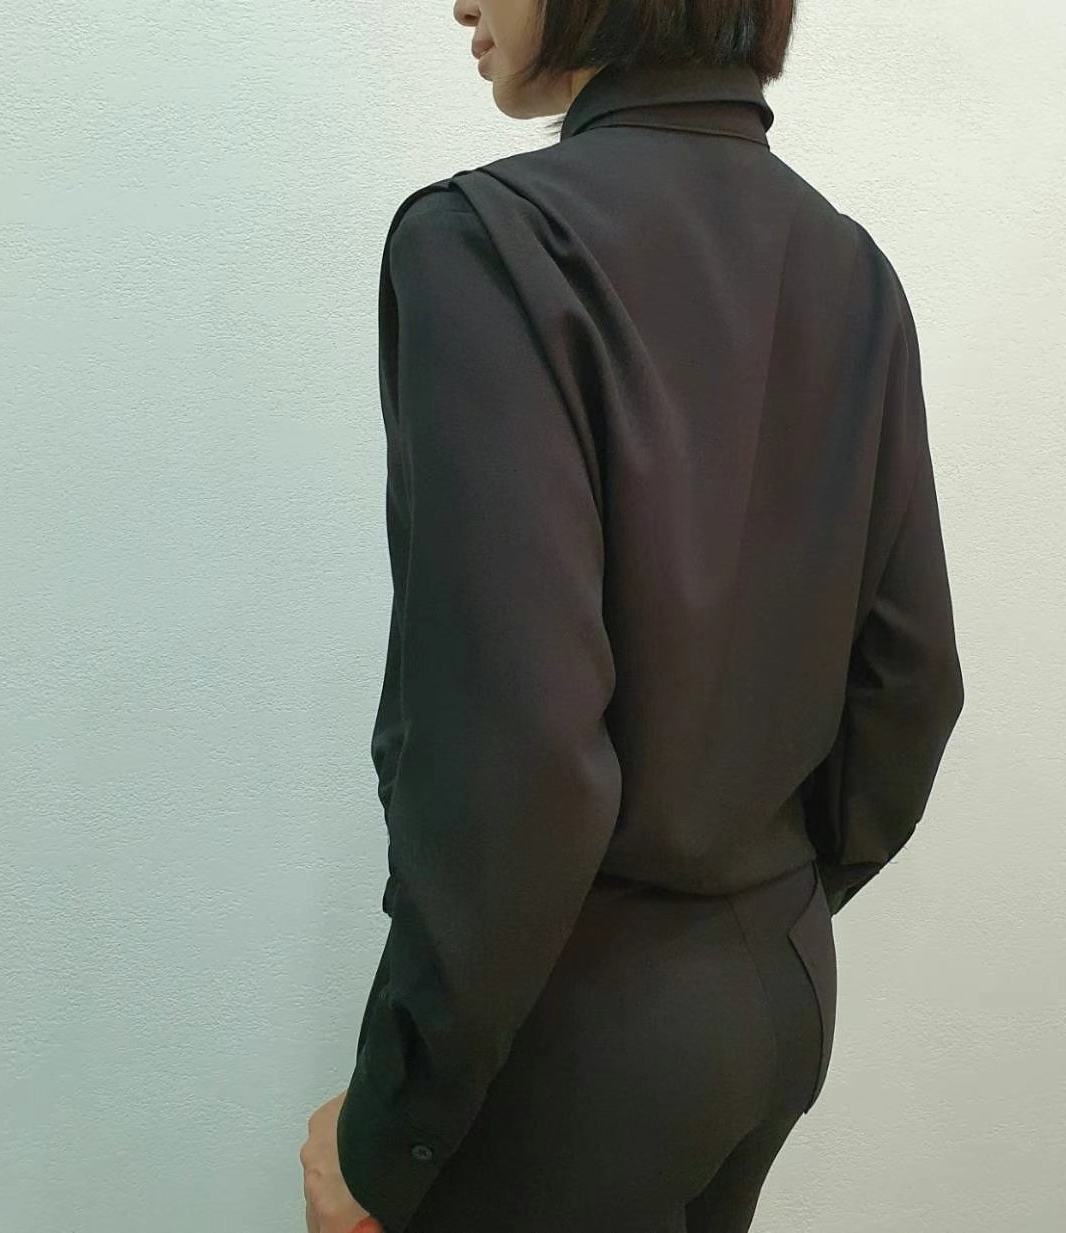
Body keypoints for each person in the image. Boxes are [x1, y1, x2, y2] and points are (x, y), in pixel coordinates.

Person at [309, 3, 965, 1231]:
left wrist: (388, 1132)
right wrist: (762, 898)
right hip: (774, 1007)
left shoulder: (488, 244)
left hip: (572, 1055)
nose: (461, 3)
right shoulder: (854, 270)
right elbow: (912, 683)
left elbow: (518, 761)